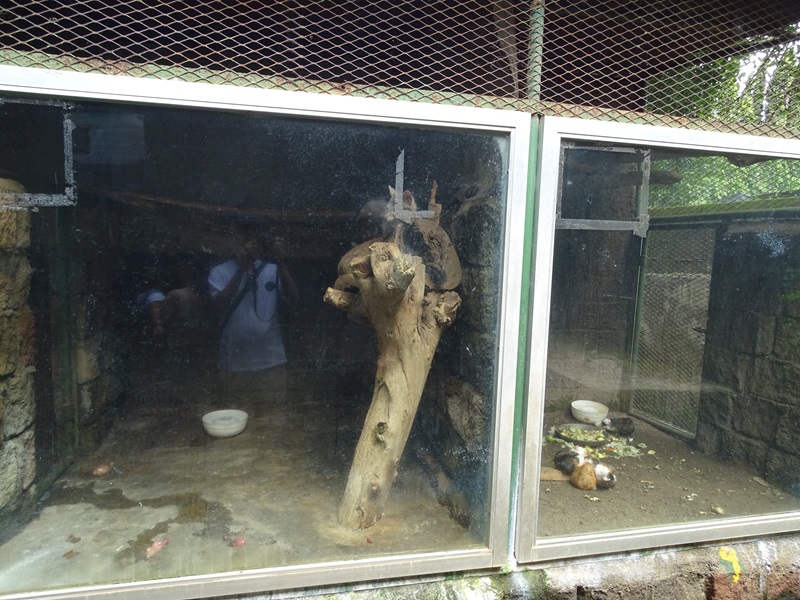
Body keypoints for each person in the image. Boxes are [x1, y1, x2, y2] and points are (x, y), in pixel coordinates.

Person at [208, 222, 299, 408]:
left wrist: (280, 261)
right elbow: (218, 305)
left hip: (271, 360)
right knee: (235, 415)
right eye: (239, 241)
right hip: (234, 363)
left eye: (248, 240)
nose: (245, 245)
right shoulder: (218, 272)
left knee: (274, 416)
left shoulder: (272, 269)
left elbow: (294, 298)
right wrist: (242, 269)